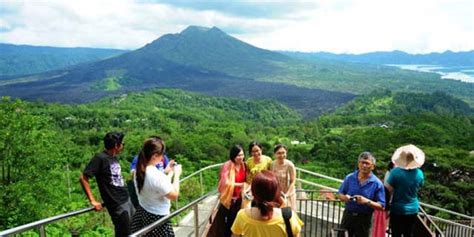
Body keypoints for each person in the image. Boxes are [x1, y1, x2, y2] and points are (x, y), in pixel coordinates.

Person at [79, 132, 135, 237]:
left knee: (134, 231)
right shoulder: (100, 158)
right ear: (116, 146)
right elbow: (83, 178)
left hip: (126, 200)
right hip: (117, 204)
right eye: (122, 144)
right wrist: (92, 200)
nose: (123, 146)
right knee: (125, 233)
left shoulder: (113, 158)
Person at [130, 137, 181, 236]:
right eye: (162, 154)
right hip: (157, 218)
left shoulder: (139, 170)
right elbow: (174, 195)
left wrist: (168, 173)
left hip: (144, 212)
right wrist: (177, 175)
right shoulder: (155, 175)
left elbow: (156, 185)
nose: (163, 157)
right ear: (154, 156)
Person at [231, 170, 303, 237]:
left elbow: (235, 235)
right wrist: (284, 206)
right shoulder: (289, 216)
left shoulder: (242, 216)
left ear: (253, 192)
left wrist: (245, 202)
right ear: (277, 192)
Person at [338, 152, 385, 237]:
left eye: (367, 163)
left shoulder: (377, 183)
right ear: (358, 164)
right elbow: (340, 193)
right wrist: (345, 198)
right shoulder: (350, 178)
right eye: (362, 162)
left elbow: (382, 206)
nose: (364, 165)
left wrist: (367, 201)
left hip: (365, 218)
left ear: (373, 166)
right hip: (348, 215)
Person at [207, 145, 247, 237]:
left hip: (240, 198)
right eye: (238, 155)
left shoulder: (244, 165)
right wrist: (241, 185)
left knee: (238, 220)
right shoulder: (228, 166)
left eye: (242, 155)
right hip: (228, 199)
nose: (240, 157)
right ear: (233, 156)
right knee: (229, 222)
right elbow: (225, 183)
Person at [386, 144, 425, 237]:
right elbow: (420, 186)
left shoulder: (395, 172)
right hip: (413, 209)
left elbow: (388, 190)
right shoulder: (420, 174)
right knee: (408, 233)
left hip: (397, 209)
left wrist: (386, 206)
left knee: (396, 234)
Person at [271, 144, 297, 210]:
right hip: (277, 194)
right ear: (275, 154)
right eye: (279, 153)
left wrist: (287, 195)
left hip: (289, 194)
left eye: (283, 153)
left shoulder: (290, 165)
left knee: (289, 214)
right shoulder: (272, 164)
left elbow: (293, 181)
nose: (281, 155)